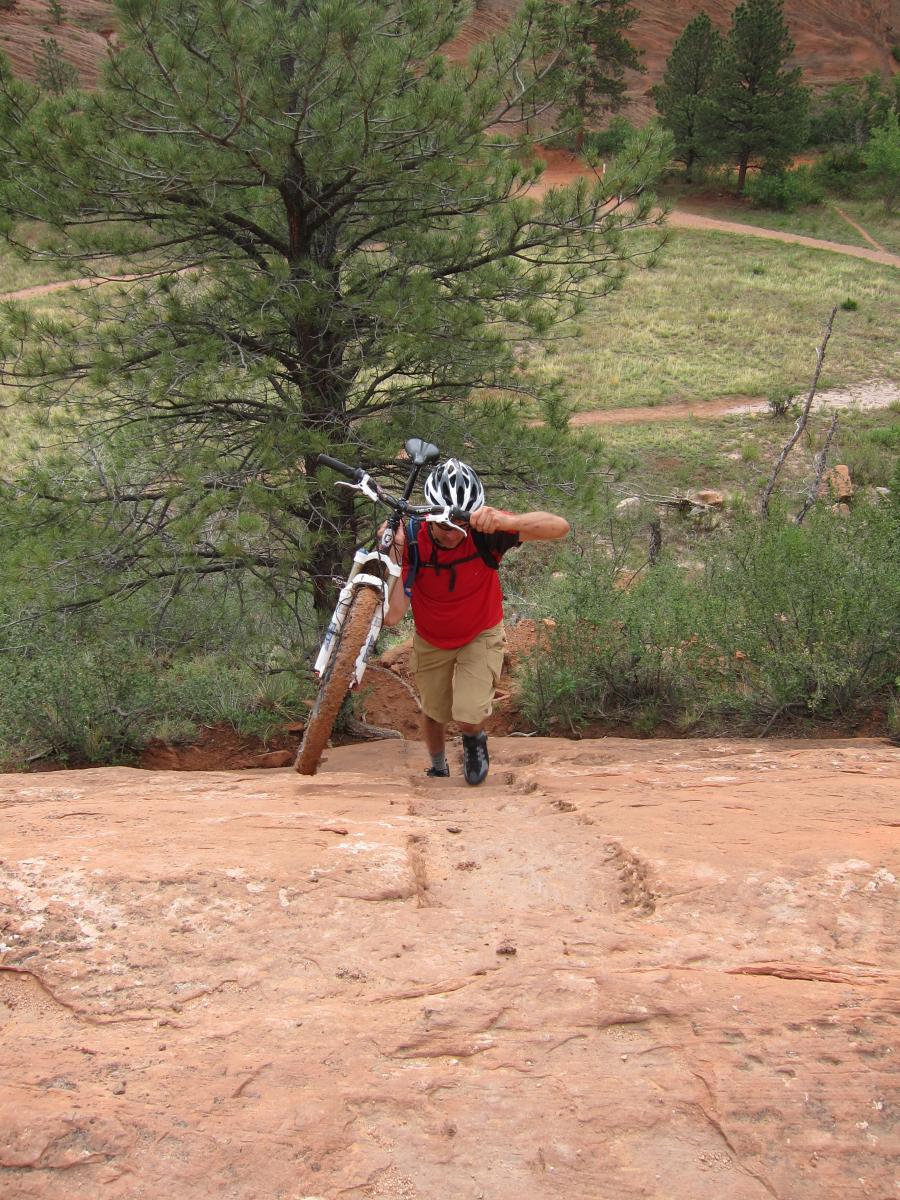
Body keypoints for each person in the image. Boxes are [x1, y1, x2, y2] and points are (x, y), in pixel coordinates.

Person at [383, 458, 569, 786]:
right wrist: (396, 551)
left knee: (469, 713)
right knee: (434, 711)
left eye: (461, 526)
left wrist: (504, 522)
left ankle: (473, 741)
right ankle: (438, 765)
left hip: (480, 632)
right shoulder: (413, 536)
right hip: (431, 637)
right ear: (431, 518)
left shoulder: (485, 532)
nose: (454, 535)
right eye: (445, 527)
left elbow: (559, 527)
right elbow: (393, 614)